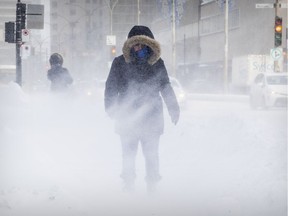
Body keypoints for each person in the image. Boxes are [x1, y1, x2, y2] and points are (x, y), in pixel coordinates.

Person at [104, 25, 180, 193]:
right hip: (127, 119)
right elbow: (111, 86)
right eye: (134, 44)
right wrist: (110, 107)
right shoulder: (119, 63)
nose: (137, 48)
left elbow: (165, 86)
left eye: (141, 44)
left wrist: (173, 108)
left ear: (149, 45)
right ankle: (128, 184)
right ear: (129, 45)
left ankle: (152, 186)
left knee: (151, 155)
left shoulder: (157, 63)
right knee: (128, 155)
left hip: (151, 119)